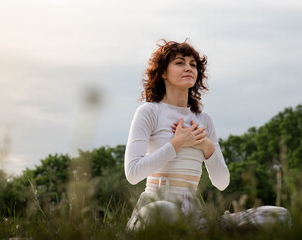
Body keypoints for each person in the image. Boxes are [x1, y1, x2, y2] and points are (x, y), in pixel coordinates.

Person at [124, 39, 290, 231]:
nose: (188, 68)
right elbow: (133, 174)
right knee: (164, 211)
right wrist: (177, 143)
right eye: (180, 63)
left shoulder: (204, 119)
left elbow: (222, 183)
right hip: (155, 208)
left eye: (193, 65)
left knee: (278, 215)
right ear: (162, 72)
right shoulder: (149, 112)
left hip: (195, 215)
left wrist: (208, 147)